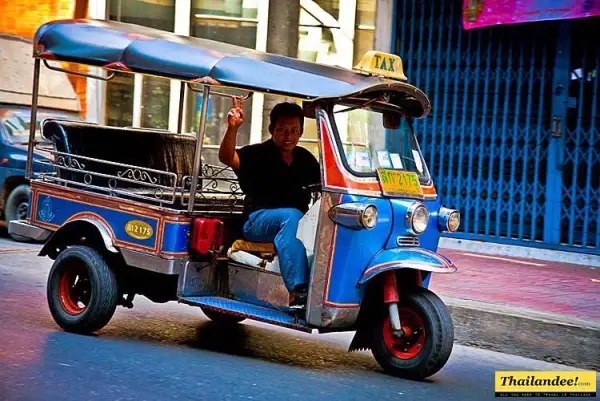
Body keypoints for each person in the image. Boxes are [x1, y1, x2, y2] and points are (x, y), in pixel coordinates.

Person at [218, 98, 320, 307]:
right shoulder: (257, 153)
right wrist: (232, 128)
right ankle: (298, 291)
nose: (288, 136)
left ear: (300, 132)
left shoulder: (305, 159)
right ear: (271, 129)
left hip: (296, 225)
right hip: (257, 221)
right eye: (282, 130)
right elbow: (227, 157)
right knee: (292, 216)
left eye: (294, 130)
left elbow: (324, 184)